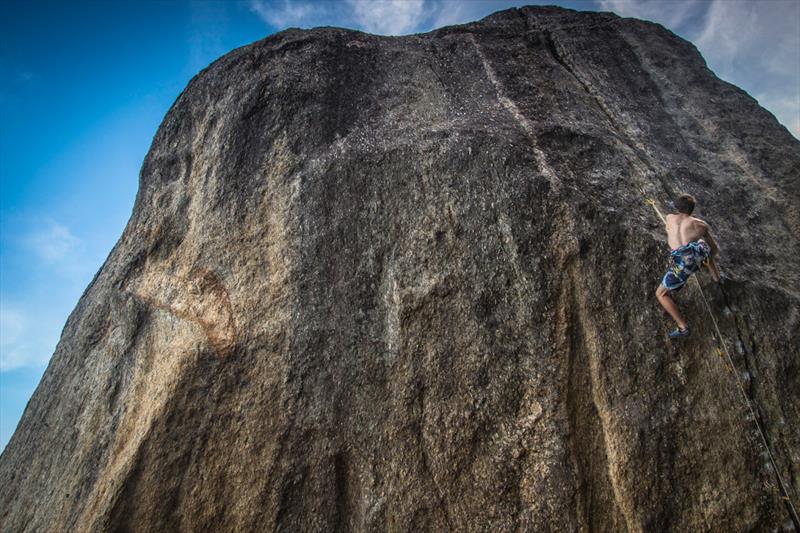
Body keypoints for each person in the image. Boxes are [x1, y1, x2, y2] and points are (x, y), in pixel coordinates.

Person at [655, 193, 720, 339]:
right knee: (702, 244)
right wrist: (706, 255)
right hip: (695, 255)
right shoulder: (701, 225)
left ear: (677, 207)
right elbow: (714, 249)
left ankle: (683, 327)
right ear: (692, 209)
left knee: (660, 294)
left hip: (682, 263)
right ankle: (715, 275)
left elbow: (671, 231)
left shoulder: (669, 218)